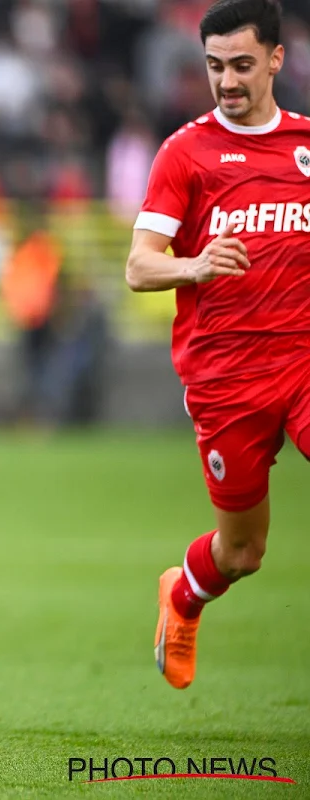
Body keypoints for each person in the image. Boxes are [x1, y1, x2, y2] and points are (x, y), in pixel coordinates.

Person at [127, 0, 310, 690]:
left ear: (276, 60)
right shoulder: (187, 152)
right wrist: (194, 264)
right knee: (243, 552)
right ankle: (183, 595)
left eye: (241, 65)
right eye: (214, 67)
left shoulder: (305, 145)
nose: (227, 81)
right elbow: (140, 264)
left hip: (303, 362)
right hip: (227, 378)